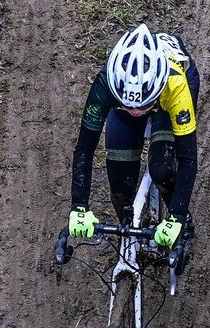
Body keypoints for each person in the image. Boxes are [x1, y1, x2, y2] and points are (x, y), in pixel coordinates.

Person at [66, 24, 200, 258]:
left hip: (167, 102)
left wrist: (176, 217)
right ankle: (129, 232)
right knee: (120, 186)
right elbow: (85, 149)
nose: (137, 111)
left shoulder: (175, 85)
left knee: (163, 170)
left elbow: (188, 159)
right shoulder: (105, 84)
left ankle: (185, 224)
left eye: (143, 105)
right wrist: (79, 206)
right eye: (130, 105)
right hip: (129, 101)